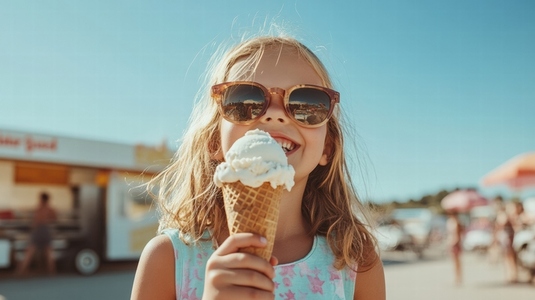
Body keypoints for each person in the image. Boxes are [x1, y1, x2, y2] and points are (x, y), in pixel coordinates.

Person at [131, 34, 385, 299]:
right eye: (243, 99)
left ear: (327, 147)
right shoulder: (167, 259)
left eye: (307, 103)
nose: (274, 113)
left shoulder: (356, 262)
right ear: (214, 141)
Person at [16, 192, 57, 275]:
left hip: (38, 230)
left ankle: (21, 271)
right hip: (46, 230)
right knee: (48, 251)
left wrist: (33, 228)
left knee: (30, 251)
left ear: (41, 199)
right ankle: (52, 270)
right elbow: (54, 218)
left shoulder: (39, 208)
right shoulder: (50, 209)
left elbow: (36, 221)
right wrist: (47, 220)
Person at [446, 210, 463, 285]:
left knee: (456, 261)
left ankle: (458, 278)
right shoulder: (451, 222)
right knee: (455, 261)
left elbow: (457, 235)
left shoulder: (456, 222)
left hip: (455, 243)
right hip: (451, 242)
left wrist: (454, 243)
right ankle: (457, 277)